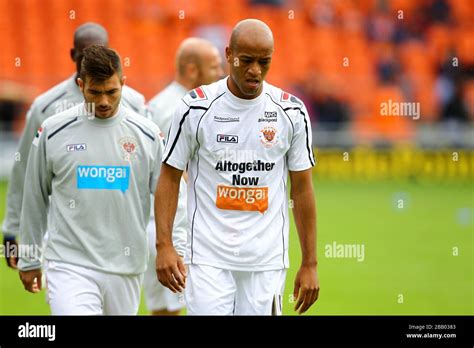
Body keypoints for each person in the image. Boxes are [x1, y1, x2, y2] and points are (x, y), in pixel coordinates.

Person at [155, 19, 320, 315]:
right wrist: (164, 245)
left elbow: (303, 188)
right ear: (229, 54)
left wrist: (310, 263)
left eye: (264, 61)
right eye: (246, 60)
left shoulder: (291, 112)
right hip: (207, 259)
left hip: (265, 263)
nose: (255, 70)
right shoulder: (195, 108)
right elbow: (169, 177)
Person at [18, 45, 163, 315]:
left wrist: (170, 247)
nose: (104, 101)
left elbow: (170, 198)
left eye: (111, 92)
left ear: (123, 83)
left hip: (125, 266)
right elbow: (34, 196)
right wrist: (28, 258)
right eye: (94, 92)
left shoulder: (148, 134)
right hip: (69, 263)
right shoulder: (53, 130)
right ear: (81, 85)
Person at [2, 22, 147, 268]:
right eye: (84, 55)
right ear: (72, 55)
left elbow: (149, 169)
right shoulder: (46, 107)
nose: (91, 60)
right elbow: (25, 167)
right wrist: (11, 229)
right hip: (63, 233)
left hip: (119, 234)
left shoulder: (134, 103)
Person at [143, 37, 223, 316]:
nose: (220, 73)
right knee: (197, 306)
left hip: (151, 226)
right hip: (175, 227)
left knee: (163, 310)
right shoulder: (182, 108)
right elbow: (174, 175)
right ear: (192, 70)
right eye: (214, 67)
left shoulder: (156, 104)